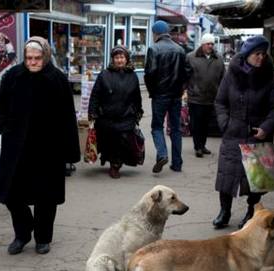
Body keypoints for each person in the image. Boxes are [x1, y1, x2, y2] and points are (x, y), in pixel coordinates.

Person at [0, 36, 80, 255]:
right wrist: (4, 126)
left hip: (48, 149)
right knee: (11, 194)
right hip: (17, 147)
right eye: (29, 58)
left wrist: (69, 151)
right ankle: (22, 233)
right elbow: (0, 106)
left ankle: (43, 238)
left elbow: (68, 116)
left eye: (37, 58)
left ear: (46, 56)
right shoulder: (12, 76)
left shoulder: (57, 79)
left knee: (46, 197)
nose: (32, 62)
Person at [212, 35, 274, 229]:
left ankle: (252, 213)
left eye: (263, 54)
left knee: (256, 180)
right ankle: (224, 211)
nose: (260, 57)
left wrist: (266, 127)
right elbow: (220, 102)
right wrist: (225, 123)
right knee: (227, 176)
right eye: (256, 54)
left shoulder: (269, 77)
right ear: (247, 54)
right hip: (233, 133)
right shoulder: (231, 74)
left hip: (257, 135)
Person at [88, 46, 143, 179]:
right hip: (107, 116)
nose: (119, 60)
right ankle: (113, 163)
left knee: (122, 141)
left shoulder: (133, 76)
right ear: (113, 59)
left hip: (126, 116)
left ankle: (116, 165)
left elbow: (137, 96)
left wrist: (137, 112)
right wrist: (92, 112)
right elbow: (95, 95)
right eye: (117, 58)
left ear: (126, 59)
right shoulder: (104, 75)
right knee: (109, 141)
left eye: (122, 57)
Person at [144, 20, 187, 173]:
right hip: (175, 95)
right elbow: (186, 73)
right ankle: (177, 163)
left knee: (157, 127)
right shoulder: (180, 50)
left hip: (160, 95)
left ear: (156, 34)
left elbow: (149, 74)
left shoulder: (154, 49)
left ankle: (162, 154)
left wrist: (152, 91)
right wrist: (182, 89)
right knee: (176, 129)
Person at [184, 32, 225, 158]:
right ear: (202, 44)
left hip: (211, 97)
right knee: (196, 123)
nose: (210, 46)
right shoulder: (191, 57)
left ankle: (203, 145)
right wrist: (186, 91)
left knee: (206, 123)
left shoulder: (218, 59)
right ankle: (198, 147)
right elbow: (185, 76)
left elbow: (223, 77)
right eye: (208, 44)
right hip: (195, 97)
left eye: (212, 44)